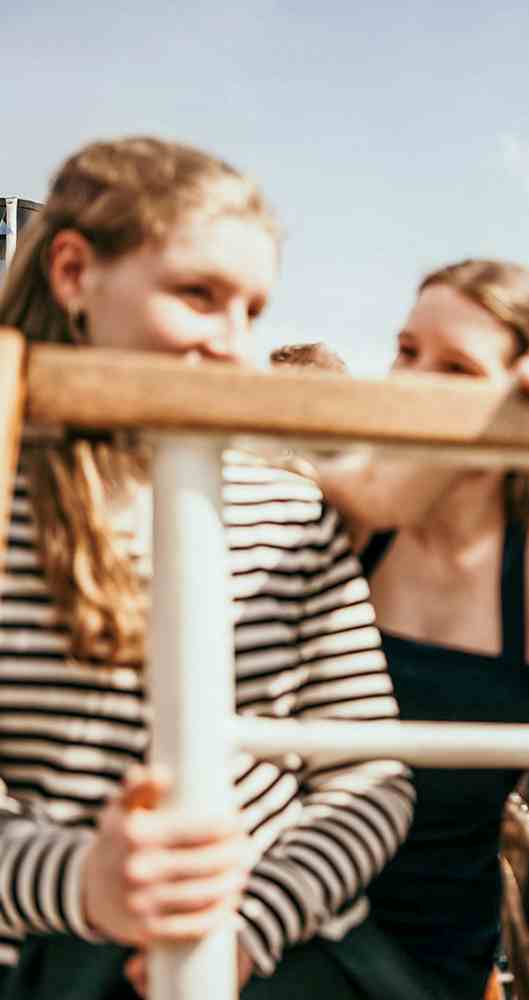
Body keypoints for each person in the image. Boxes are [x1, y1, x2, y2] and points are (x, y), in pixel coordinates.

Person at [0, 137, 418, 999]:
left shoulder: (290, 513)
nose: (234, 349)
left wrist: (249, 927)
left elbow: (370, 780)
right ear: (75, 274)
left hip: (283, 953)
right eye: (199, 297)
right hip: (56, 961)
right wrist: (86, 882)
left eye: (251, 313)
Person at [274, 260, 529, 1000]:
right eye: (406, 352)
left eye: (455, 367)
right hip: (278, 933)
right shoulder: (352, 512)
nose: (415, 382)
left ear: (527, 395)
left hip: (431, 963)